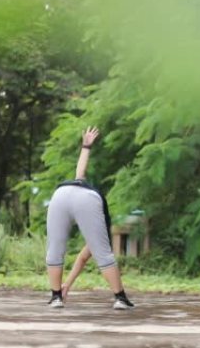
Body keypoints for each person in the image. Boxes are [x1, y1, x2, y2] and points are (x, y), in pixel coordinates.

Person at [45, 126, 134, 310]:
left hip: (60, 194)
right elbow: (85, 258)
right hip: (88, 199)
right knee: (104, 254)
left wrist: (86, 147)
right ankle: (120, 298)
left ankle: (56, 297)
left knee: (55, 248)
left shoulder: (78, 187)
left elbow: (80, 174)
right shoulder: (102, 223)